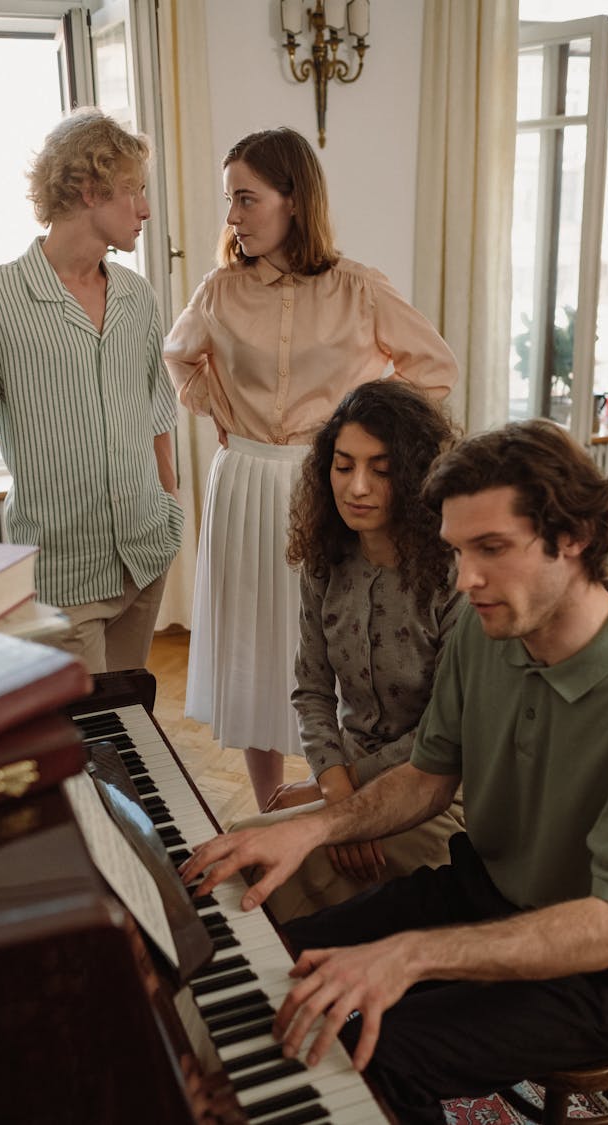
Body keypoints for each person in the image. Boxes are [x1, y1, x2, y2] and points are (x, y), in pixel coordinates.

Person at [181, 418, 608, 1125]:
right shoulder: (485, 630)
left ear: (574, 539)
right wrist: (310, 829)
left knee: (366, 1049)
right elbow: (428, 776)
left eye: (491, 549)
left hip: (604, 972)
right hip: (481, 891)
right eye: (456, 549)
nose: (464, 578)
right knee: (273, 966)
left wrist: (409, 956)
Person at [163, 126, 457, 810]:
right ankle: (270, 803)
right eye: (229, 200)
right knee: (251, 645)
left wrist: (365, 437)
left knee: (330, 637)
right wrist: (221, 406)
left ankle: (337, 790)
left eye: (246, 198)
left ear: (293, 200)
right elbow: (178, 357)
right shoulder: (218, 290)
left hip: (325, 482)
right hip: (244, 480)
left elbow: (435, 367)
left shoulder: (359, 287)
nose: (232, 216)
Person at [0, 108, 183, 673]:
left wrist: (171, 508)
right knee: (87, 743)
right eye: (132, 191)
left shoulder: (137, 296)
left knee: (131, 722)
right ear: (90, 190)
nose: (145, 209)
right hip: (63, 577)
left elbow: (157, 412)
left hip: (146, 556)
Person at [236, 380, 465, 923]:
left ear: (414, 477)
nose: (357, 487)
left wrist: (342, 803)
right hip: (348, 783)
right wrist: (336, 792)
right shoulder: (327, 558)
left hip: (441, 794)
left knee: (252, 863)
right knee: (240, 848)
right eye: (343, 466)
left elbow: (447, 731)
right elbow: (312, 691)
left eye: (381, 469)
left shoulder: (457, 573)